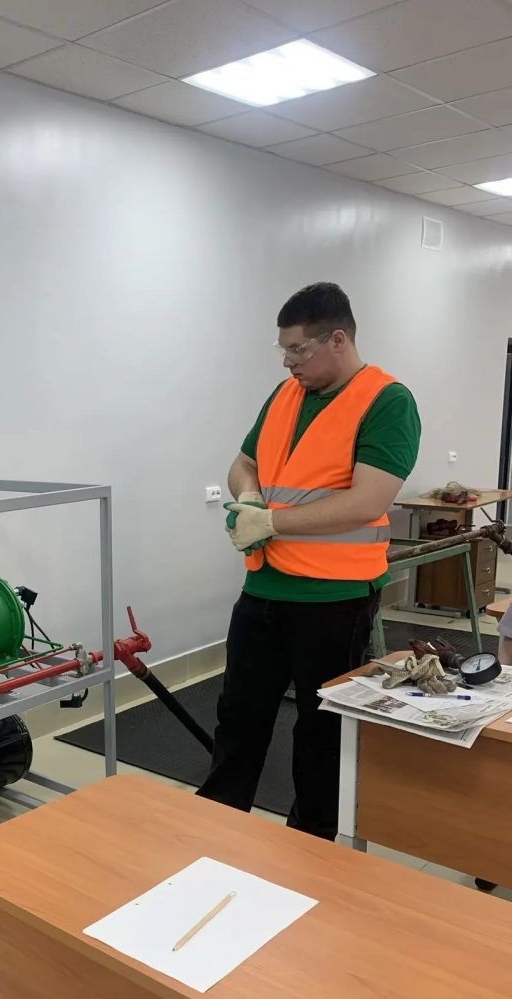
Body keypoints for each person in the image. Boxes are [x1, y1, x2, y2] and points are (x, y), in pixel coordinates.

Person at [197, 282, 421, 840]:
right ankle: (215, 831)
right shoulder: (284, 394)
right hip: (263, 591)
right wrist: (251, 497)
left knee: (321, 736)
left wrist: (272, 523)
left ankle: (311, 850)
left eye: (297, 349)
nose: (288, 362)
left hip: (333, 601)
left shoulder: (387, 402)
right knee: (238, 719)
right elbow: (243, 463)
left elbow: (366, 501)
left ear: (337, 340)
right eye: (283, 350)